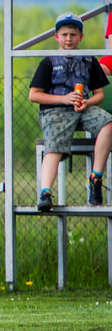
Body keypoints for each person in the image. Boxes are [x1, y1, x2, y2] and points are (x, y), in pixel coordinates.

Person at [29, 12, 112, 211]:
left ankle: (95, 178)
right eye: (64, 35)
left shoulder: (89, 61)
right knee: (55, 146)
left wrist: (88, 102)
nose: (69, 39)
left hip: (82, 109)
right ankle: (46, 192)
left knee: (108, 123)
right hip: (55, 110)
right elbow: (34, 95)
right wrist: (62, 99)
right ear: (56, 37)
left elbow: (99, 93)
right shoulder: (48, 62)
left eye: (73, 35)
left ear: (80, 37)